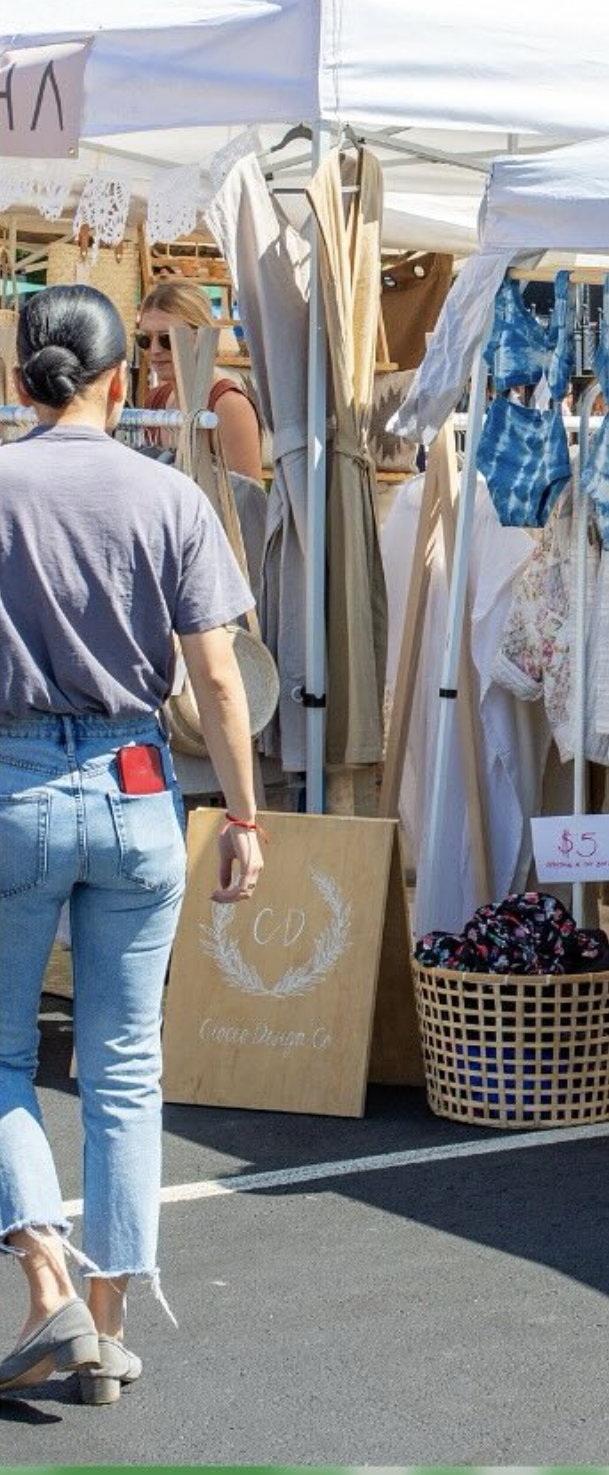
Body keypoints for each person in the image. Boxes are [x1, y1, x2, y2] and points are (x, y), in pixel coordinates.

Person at [0, 287, 263, 1405]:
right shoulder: (171, 495)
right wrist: (245, 818)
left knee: (3, 1051)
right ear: (120, 380)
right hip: (141, 781)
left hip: (11, 779)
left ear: (21, 378)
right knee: (124, 1066)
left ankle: (45, 1270)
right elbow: (215, 675)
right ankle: (101, 1325)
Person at [135, 278, 265, 481]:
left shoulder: (228, 405)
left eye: (167, 338)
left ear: (201, 335)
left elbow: (247, 504)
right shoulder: (156, 399)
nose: (154, 350)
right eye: (144, 339)